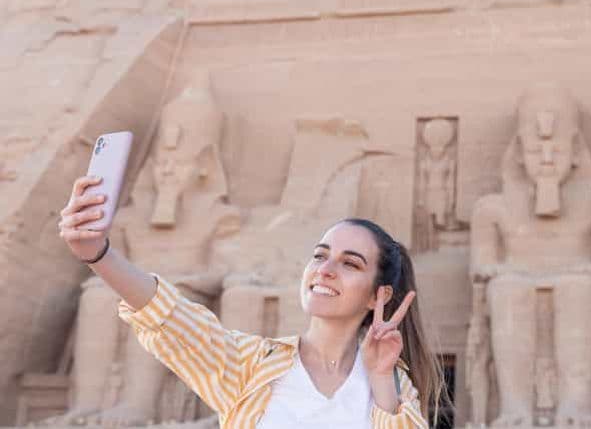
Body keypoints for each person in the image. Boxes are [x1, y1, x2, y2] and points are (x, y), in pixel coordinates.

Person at [58, 175, 445, 429]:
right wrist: (98, 254)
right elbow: (170, 316)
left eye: (350, 263)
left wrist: (379, 378)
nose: (325, 269)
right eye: (319, 255)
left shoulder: (393, 386)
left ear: (379, 295)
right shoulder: (250, 364)